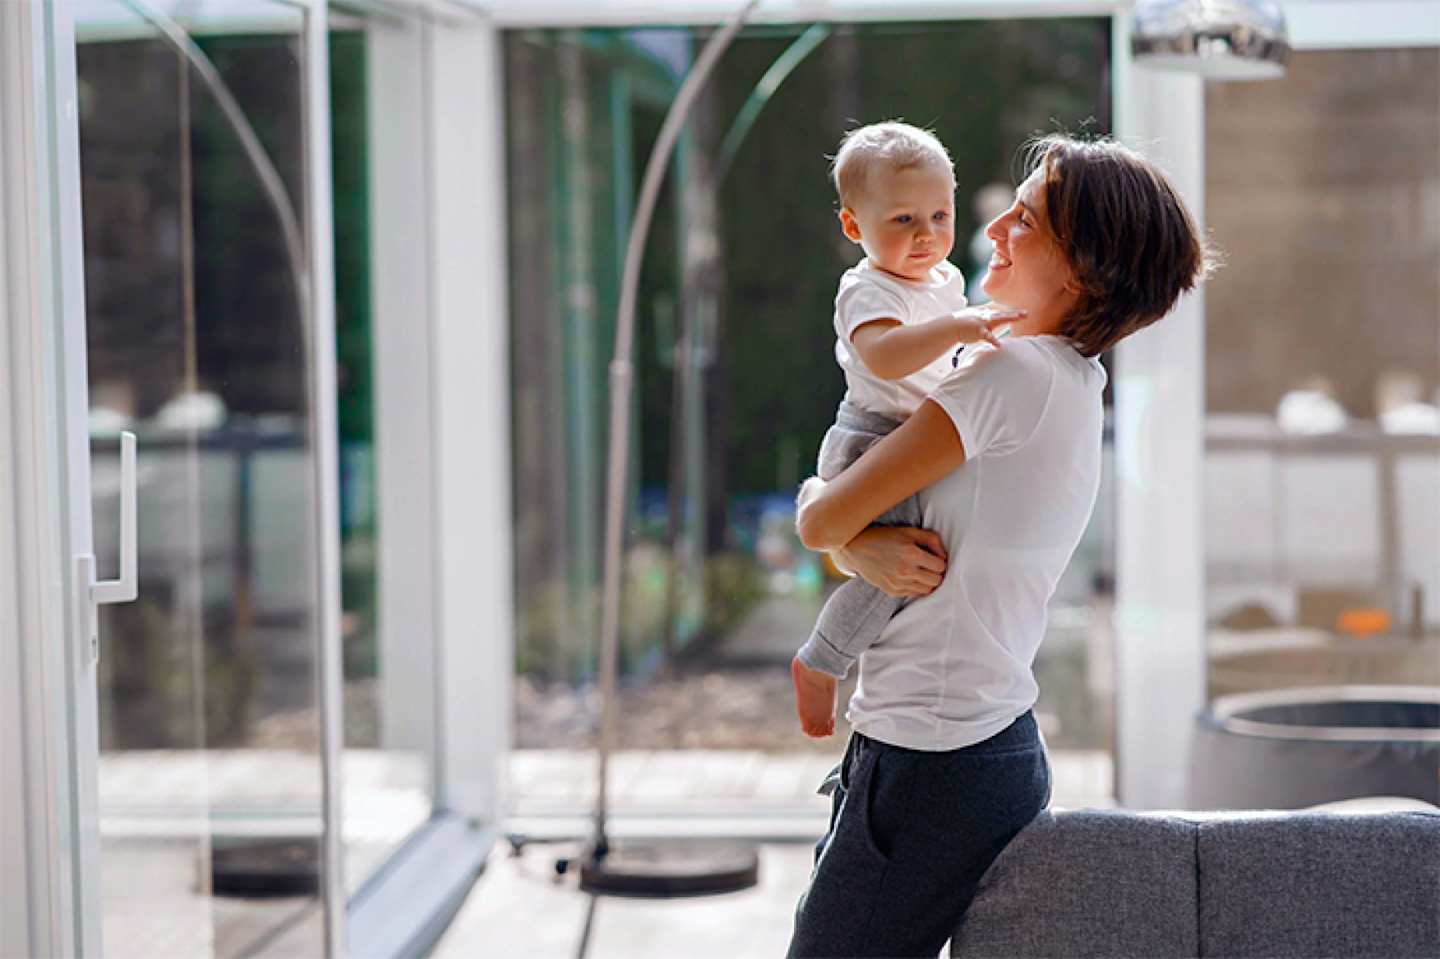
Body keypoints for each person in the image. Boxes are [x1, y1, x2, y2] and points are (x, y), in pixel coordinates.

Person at [787, 133, 1211, 958]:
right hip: (963, 745)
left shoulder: (1010, 377)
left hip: (930, 759)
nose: (995, 228)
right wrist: (862, 548)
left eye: (1028, 216)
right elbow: (880, 529)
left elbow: (817, 521)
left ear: (1083, 268)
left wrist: (848, 540)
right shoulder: (1065, 377)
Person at [791, 122, 1024, 739]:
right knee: (896, 574)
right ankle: (823, 660)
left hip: (906, 433)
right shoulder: (866, 289)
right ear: (853, 227)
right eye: (902, 221)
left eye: (940, 216)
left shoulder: (944, 279)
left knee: (902, 567)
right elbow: (887, 357)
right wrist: (958, 330)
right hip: (871, 436)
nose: (926, 236)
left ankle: (836, 658)